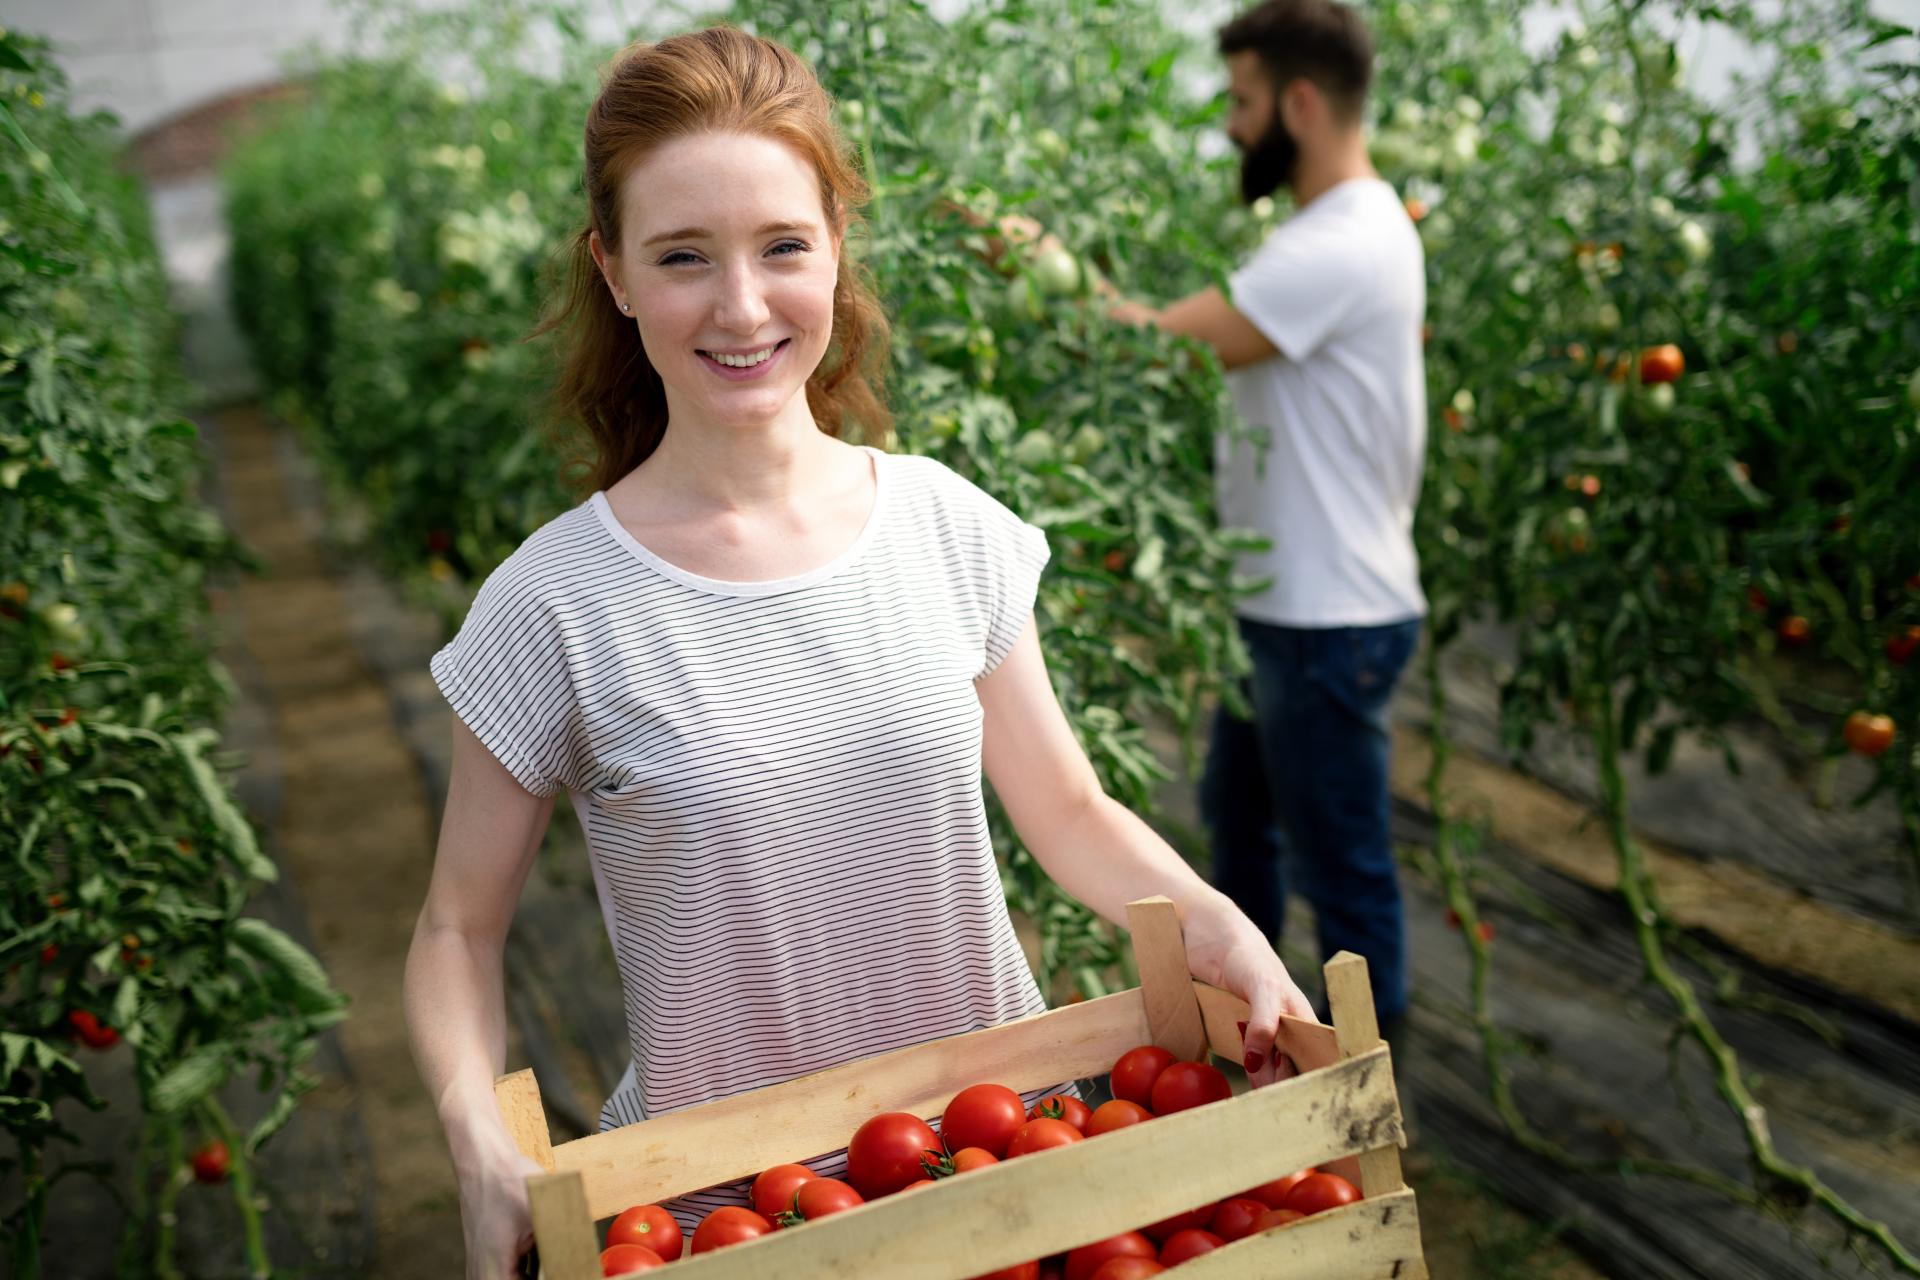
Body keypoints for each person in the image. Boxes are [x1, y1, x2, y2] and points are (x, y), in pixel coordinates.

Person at [400, 26, 1314, 1280]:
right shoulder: (553, 604)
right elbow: (456, 928)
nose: (741, 305)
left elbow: (1069, 806)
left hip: (1001, 1176)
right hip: (726, 1216)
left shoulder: (946, 527)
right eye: (682, 257)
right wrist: (476, 1140)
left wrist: (1216, 920)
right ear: (612, 273)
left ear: (836, 240)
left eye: (782, 245)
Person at [1099, 0, 1428, 1062]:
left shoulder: (1341, 241)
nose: (1233, 127)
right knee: (1241, 844)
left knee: (1344, 876)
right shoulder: (1340, 232)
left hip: (1325, 616)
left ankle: (1373, 1093)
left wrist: (1038, 265)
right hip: (1292, 607)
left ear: (1298, 101)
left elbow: (1165, 348)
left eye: (1243, 102)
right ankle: (1269, 1053)